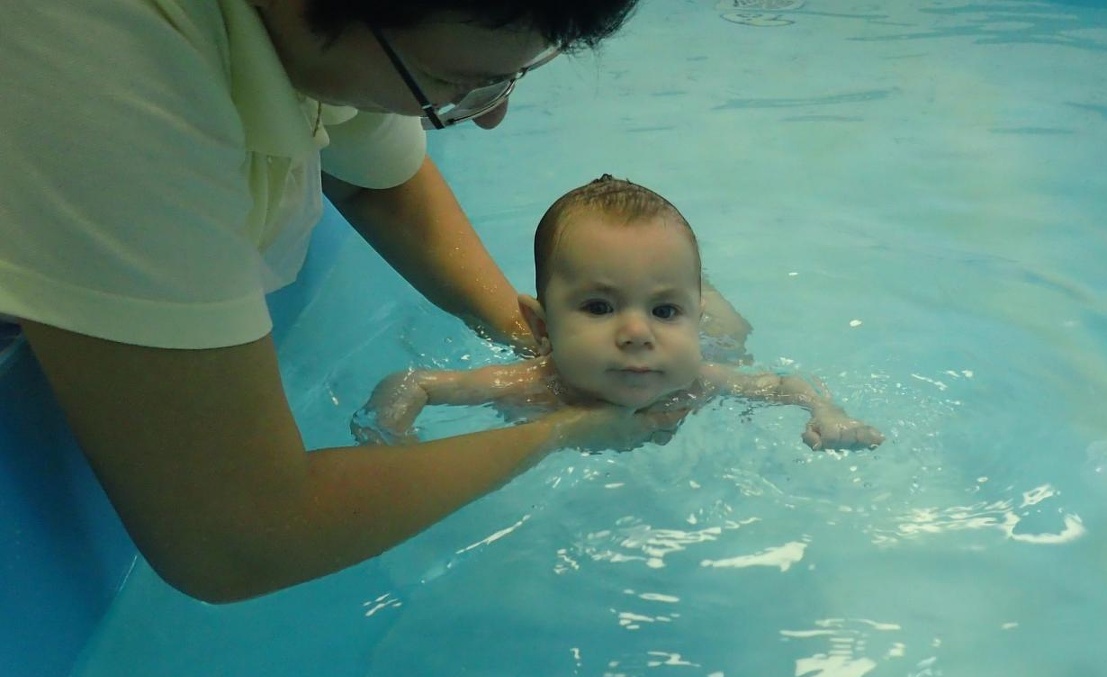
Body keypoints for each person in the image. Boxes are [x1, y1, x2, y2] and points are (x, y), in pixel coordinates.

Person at [0, 0, 680, 604]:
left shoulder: (344, 36)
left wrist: (540, 344)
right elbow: (237, 539)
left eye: (509, 78)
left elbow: (376, 182)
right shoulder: (102, 55)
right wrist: (564, 430)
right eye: (456, 85)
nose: (493, 117)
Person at [355, 176, 885, 452]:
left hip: (706, 332)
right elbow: (410, 383)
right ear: (542, 328)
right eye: (599, 307)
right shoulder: (532, 386)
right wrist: (392, 444)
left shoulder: (698, 380)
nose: (635, 333)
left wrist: (827, 414)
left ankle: (694, 297)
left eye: (661, 310)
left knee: (732, 339)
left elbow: (788, 385)